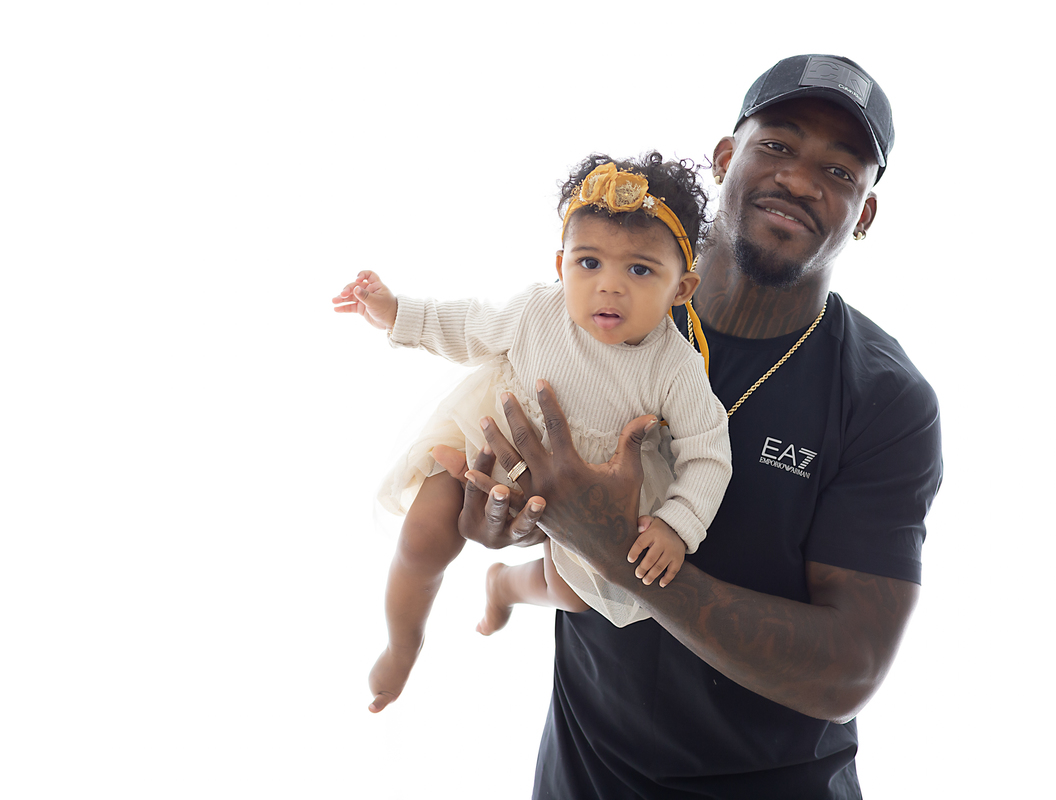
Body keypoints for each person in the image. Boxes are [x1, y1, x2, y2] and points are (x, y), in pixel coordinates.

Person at [436, 55, 943, 798]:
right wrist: (508, 516)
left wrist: (619, 554)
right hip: (582, 776)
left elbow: (849, 670)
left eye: (840, 172)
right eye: (778, 144)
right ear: (726, 158)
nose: (801, 180)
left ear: (864, 214)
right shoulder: (604, 304)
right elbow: (517, 477)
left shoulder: (883, 399)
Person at [331, 153, 733, 713]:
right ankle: (403, 643)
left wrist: (676, 525)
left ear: (682, 288)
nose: (609, 287)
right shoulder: (537, 313)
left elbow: (708, 453)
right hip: (490, 449)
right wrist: (396, 311)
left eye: (640, 271)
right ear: (561, 265)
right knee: (423, 535)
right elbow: (469, 325)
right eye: (589, 262)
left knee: (574, 596)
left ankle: (506, 586)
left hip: (593, 500)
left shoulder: (675, 367)